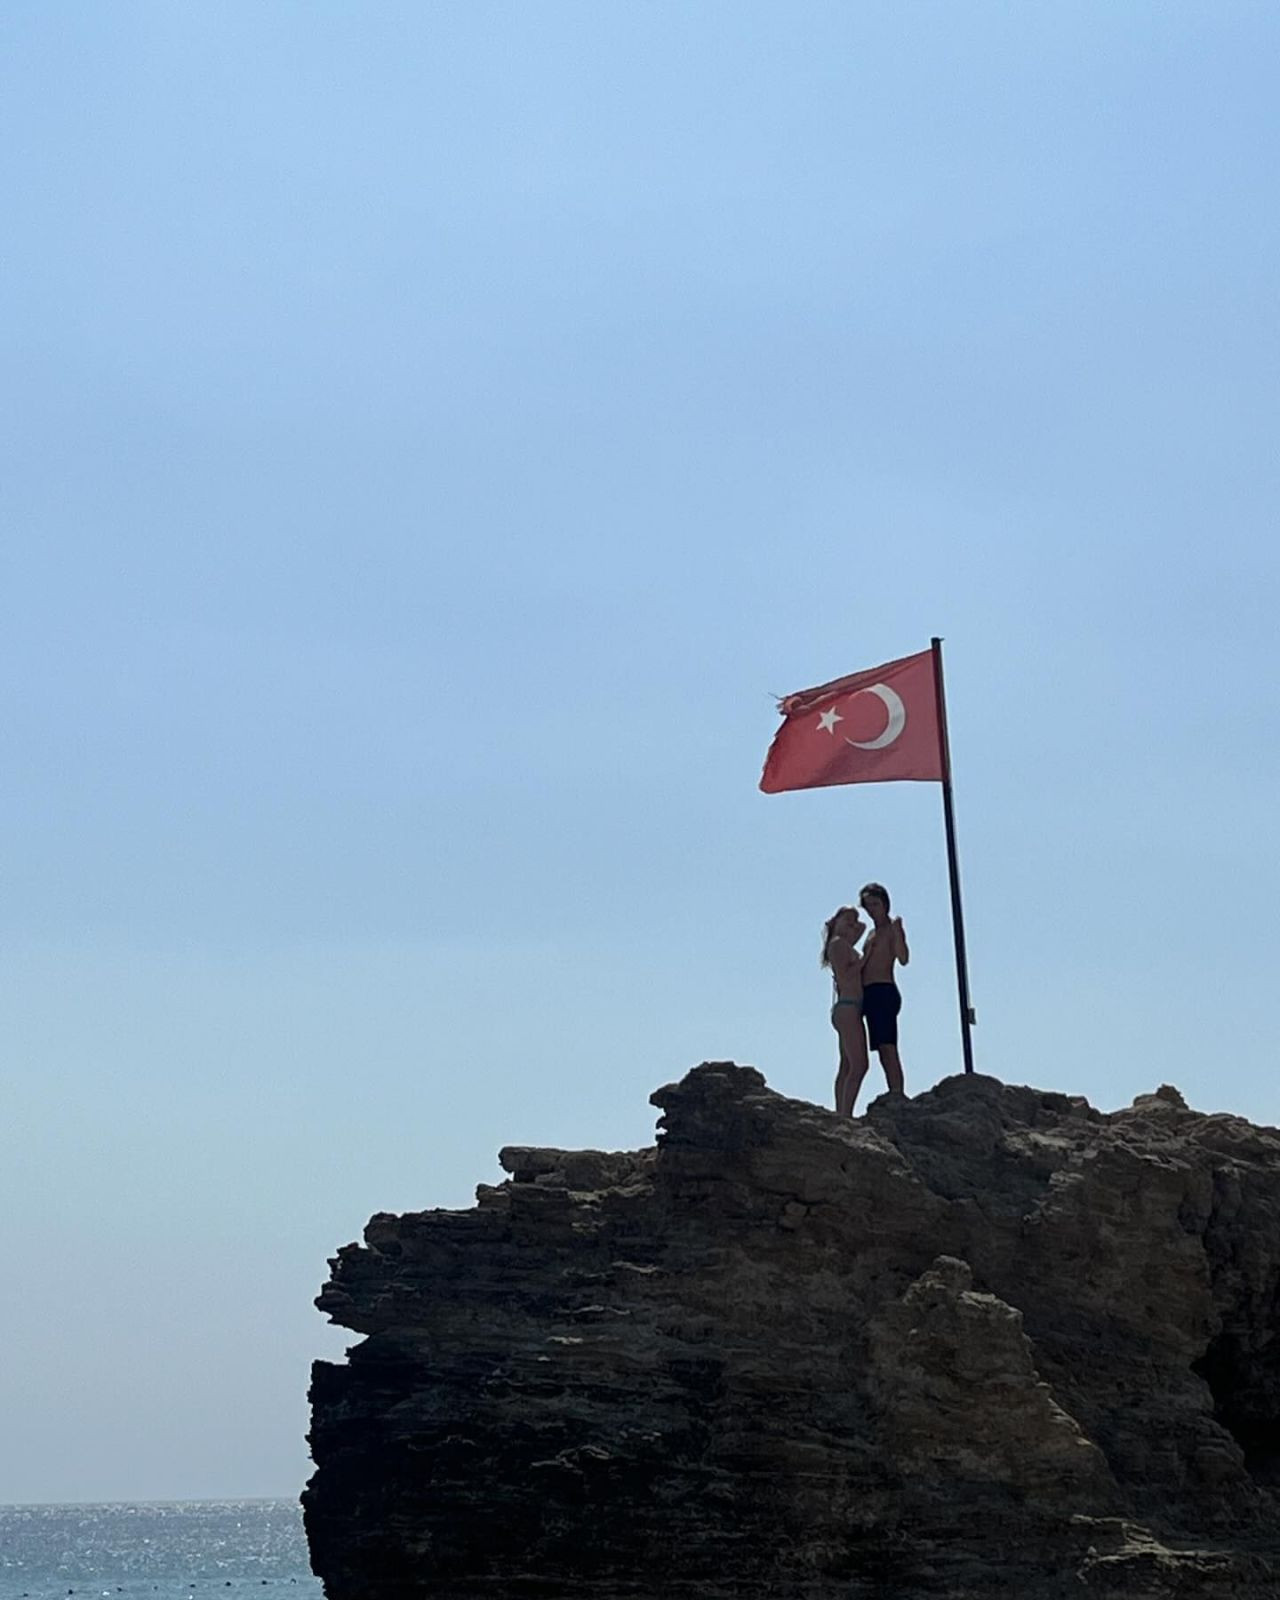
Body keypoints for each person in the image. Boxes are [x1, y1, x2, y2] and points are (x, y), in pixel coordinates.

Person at [857, 882, 908, 1095]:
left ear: (885, 904)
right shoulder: (870, 934)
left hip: (883, 989)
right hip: (868, 992)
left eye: (875, 904)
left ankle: (897, 1092)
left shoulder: (891, 929)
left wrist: (897, 934)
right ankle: (893, 1090)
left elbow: (903, 958)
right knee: (880, 1049)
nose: (872, 910)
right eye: (868, 905)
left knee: (888, 1046)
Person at [821, 906, 869, 1116]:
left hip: (849, 1008)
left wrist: (850, 921)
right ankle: (845, 1114)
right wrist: (865, 958)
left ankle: (842, 1110)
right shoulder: (838, 944)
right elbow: (846, 975)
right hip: (849, 1006)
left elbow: (862, 927)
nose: (853, 924)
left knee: (847, 1065)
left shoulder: (843, 943)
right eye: (847, 920)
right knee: (859, 1065)